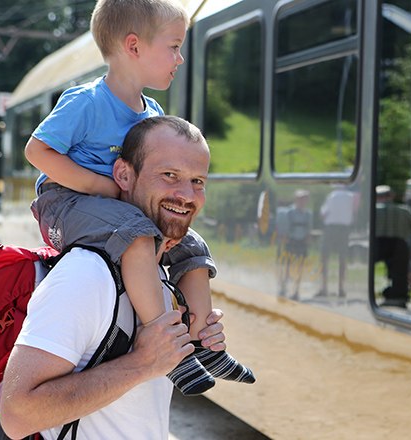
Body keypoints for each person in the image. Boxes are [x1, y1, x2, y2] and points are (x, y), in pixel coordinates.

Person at [23, 0, 253, 395]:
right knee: (136, 235)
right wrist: (99, 186)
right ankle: (169, 347)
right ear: (134, 47)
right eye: (174, 46)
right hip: (65, 203)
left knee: (192, 244)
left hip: (117, 209)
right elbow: (37, 152)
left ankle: (204, 340)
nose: (180, 58)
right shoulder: (87, 101)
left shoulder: (153, 113)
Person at [1, 116, 233, 439]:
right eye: (169, 175)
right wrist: (142, 363)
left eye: (198, 181)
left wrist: (196, 341)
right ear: (123, 174)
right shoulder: (87, 275)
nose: (187, 195)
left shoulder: (157, 276)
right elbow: (16, 414)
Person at [374, 184, 411, 308]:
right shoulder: (403, 210)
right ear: (391, 196)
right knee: (400, 272)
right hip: (398, 242)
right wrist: (406, 230)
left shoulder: (373, 210)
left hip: (377, 242)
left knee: (368, 268)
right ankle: (398, 296)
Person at [318, 184, 359, 298]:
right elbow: (355, 212)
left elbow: (323, 214)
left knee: (324, 258)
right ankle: (341, 288)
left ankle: (324, 287)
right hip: (344, 229)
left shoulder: (331, 196)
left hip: (330, 228)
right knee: (342, 259)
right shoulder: (351, 197)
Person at [276, 189, 312, 299]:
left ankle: (296, 291)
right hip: (291, 240)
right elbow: (284, 226)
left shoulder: (308, 214)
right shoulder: (289, 212)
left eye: (304, 199)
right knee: (288, 266)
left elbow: (309, 228)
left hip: (301, 242)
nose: (302, 201)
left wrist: (308, 238)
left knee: (300, 267)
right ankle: (284, 288)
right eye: (300, 199)